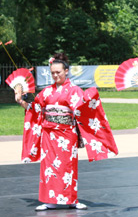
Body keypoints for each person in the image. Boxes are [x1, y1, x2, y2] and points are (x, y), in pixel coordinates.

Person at [14, 52, 118, 211]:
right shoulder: (46, 92)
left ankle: (71, 200)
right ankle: (49, 200)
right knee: (49, 168)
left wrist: (90, 96)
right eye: (53, 73)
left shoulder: (74, 90)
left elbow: (82, 109)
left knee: (67, 167)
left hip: (66, 135)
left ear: (66, 71)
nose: (55, 75)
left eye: (58, 72)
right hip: (49, 135)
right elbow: (35, 109)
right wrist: (21, 100)